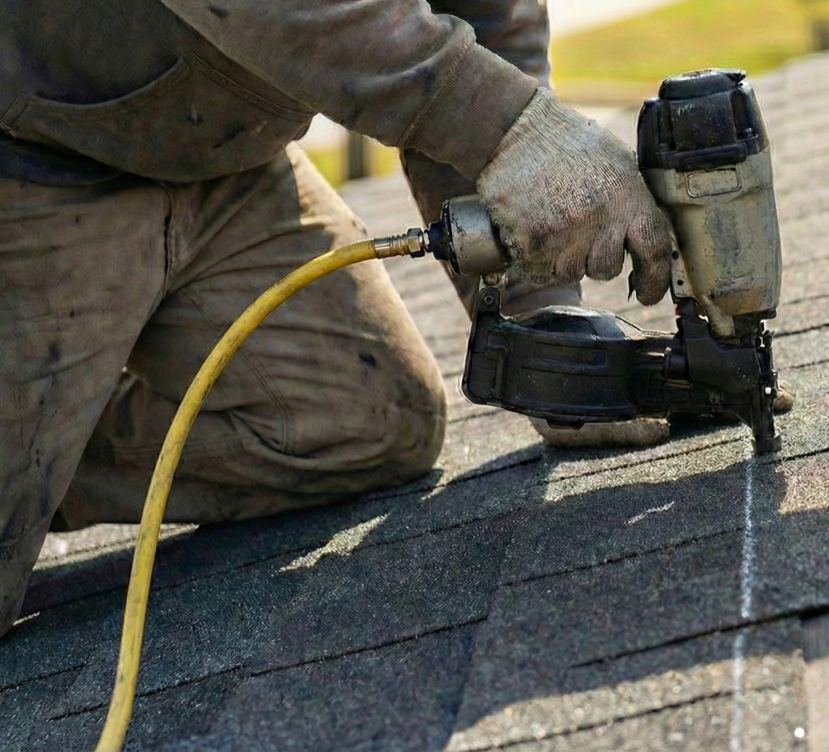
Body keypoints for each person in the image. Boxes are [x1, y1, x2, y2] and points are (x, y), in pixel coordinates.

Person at [0, 0, 678, 638]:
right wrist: (508, 120)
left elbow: (486, 19)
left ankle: (56, 455)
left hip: (221, 157)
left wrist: (543, 326)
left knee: (370, 422)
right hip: (32, 160)